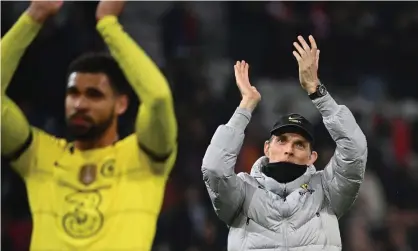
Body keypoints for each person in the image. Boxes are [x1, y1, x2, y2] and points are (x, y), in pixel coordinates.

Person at [1, 1, 177, 250]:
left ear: (121, 104)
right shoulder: (39, 157)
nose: (80, 104)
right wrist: (33, 17)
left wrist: (108, 25)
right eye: (73, 93)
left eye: (94, 95)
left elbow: (158, 98)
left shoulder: (143, 158)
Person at [202, 35, 368, 251]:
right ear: (266, 148)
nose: (289, 149)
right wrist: (245, 108)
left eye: (300, 144)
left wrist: (316, 90)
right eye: (281, 141)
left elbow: (355, 150)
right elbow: (214, 169)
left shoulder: (327, 191)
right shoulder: (243, 193)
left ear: (312, 157)